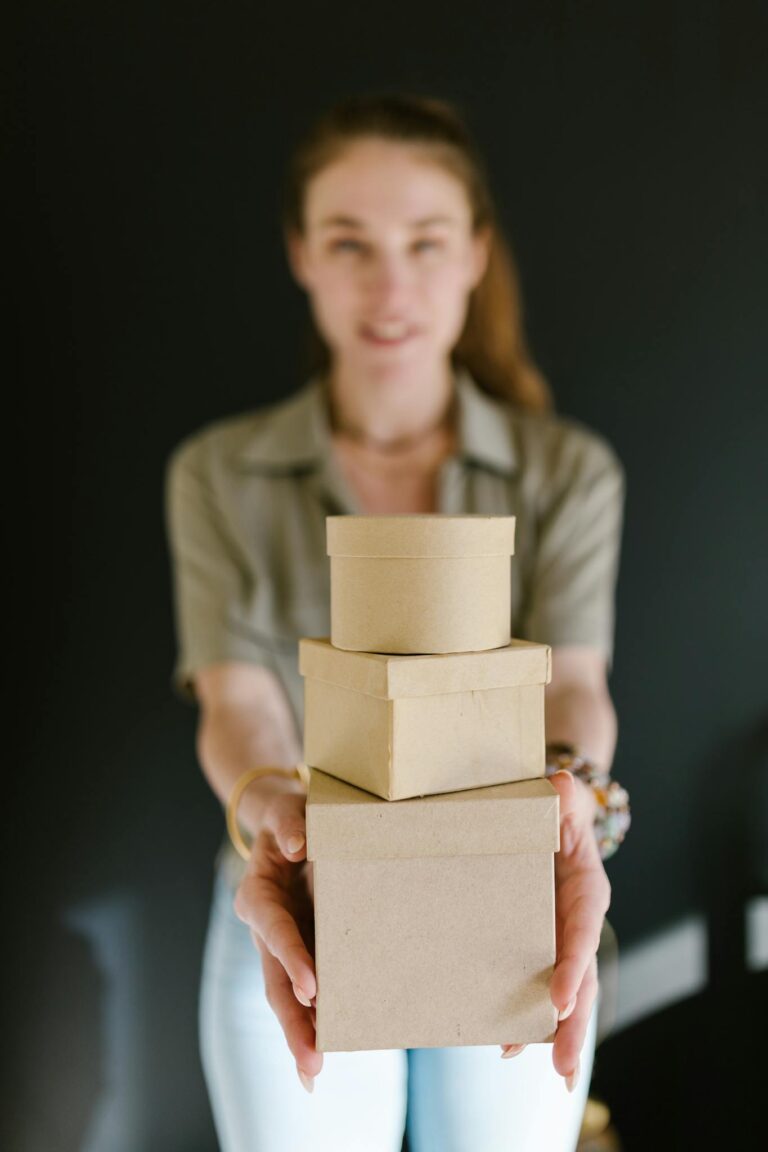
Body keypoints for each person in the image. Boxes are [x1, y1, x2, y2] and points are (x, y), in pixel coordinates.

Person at [164, 92, 630, 1152]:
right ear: (301, 254)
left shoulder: (566, 474)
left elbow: (574, 685)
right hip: (297, 894)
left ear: (475, 253)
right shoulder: (219, 475)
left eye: (425, 243)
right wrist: (280, 813)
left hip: (503, 892)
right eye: (350, 243)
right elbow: (236, 701)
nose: (390, 286)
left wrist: (565, 804)